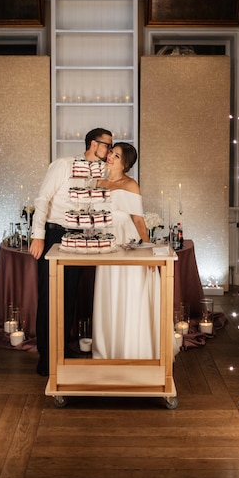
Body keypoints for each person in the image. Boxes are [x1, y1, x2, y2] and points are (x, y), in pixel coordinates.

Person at [30, 127, 113, 376]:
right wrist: (38, 236)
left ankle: (62, 350)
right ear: (93, 144)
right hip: (54, 234)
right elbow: (42, 199)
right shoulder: (63, 165)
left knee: (69, 296)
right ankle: (46, 360)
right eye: (107, 145)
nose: (109, 150)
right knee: (49, 296)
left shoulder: (98, 174)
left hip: (78, 237)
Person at [92, 142, 161, 359]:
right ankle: (107, 350)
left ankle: (131, 349)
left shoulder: (131, 185)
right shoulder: (96, 182)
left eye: (117, 156)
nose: (110, 157)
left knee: (127, 290)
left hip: (126, 240)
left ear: (125, 164)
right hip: (104, 243)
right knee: (108, 291)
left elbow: (138, 220)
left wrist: (148, 250)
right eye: (111, 153)